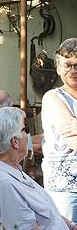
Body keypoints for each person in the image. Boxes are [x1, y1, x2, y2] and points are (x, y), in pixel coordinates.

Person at [0, 107, 77, 230]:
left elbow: (49, 214)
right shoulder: (3, 183)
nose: (29, 134)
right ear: (15, 141)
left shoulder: (9, 168)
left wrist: (72, 226)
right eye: (26, 129)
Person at [42, 38, 77, 222]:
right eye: (67, 65)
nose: (73, 71)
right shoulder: (53, 97)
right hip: (65, 186)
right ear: (58, 68)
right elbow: (73, 141)